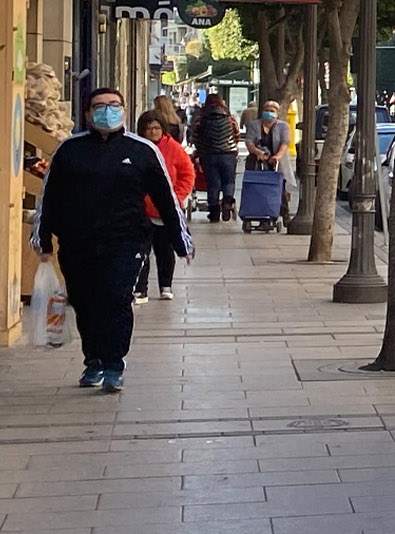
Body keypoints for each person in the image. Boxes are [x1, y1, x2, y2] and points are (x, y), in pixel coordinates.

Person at [31, 89, 193, 393]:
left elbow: (166, 197)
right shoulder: (69, 150)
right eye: (99, 106)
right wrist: (42, 237)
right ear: (87, 113)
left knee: (116, 297)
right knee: (85, 302)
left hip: (126, 242)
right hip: (78, 243)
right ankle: (93, 359)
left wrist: (180, 240)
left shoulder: (142, 150)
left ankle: (114, 362)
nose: (107, 111)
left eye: (113, 105)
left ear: (125, 110)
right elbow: (50, 197)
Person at [132, 112, 196, 300]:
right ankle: (140, 289)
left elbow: (187, 174)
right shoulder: (136, 148)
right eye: (148, 129)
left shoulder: (174, 148)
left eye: (157, 128)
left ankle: (165, 285)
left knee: (165, 250)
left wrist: (176, 197)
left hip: (165, 211)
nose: (153, 132)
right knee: (140, 251)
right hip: (141, 209)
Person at [191, 95, 240, 221]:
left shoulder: (200, 119)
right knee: (229, 181)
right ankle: (227, 202)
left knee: (213, 184)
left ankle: (214, 212)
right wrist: (231, 145)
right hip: (228, 154)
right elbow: (236, 134)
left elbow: (195, 137)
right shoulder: (230, 118)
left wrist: (201, 149)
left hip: (208, 155)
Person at [248, 99, 292, 218]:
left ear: (277, 113)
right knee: (259, 187)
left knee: (279, 187)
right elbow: (249, 142)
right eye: (266, 110)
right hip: (258, 161)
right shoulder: (254, 125)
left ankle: (284, 212)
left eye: (272, 111)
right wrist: (258, 152)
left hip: (277, 161)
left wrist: (277, 156)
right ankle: (261, 212)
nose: (269, 113)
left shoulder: (283, 126)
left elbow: (285, 143)